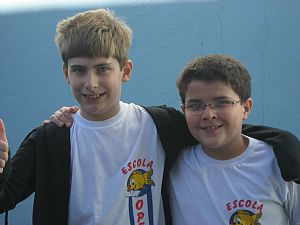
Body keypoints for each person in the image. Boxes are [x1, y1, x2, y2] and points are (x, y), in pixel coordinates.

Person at [1, 8, 300, 225]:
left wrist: (285, 143)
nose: (91, 83)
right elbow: (6, 197)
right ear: (66, 73)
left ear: (126, 71)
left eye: (103, 68)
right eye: (79, 70)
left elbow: (217, 127)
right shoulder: (50, 137)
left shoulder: (158, 124)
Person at [169, 54, 300, 224]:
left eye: (222, 102)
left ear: (246, 108)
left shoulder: (283, 164)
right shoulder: (171, 162)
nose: (209, 115)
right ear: (183, 110)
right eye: (195, 105)